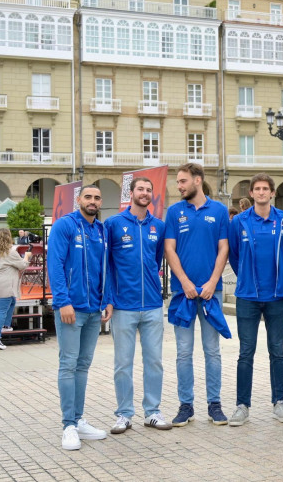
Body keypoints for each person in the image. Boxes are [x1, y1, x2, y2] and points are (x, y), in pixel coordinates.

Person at [164, 163, 230, 427]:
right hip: (183, 295)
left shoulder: (219, 210)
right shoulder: (174, 211)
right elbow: (170, 250)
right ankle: (185, 405)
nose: (178, 186)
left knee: (212, 351)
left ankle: (214, 404)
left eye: (182, 181)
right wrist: (185, 282)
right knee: (183, 352)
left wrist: (213, 282)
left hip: (211, 294)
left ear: (197, 181)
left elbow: (223, 248)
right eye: (178, 182)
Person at [104, 176, 172, 434]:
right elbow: (107, 266)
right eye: (140, 189)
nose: (144, 193)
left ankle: (153, 412)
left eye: (148, 190)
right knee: (123, 363)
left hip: (153, 305)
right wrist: (109, 299)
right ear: (130, 193)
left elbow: (156, 261)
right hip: (123, 306)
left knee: (154, 361)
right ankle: (123, 414)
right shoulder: (113, 224)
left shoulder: (159, 226)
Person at [227, 174, 283, 427]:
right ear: (251, 194)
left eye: (266, 189)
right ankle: (242, 406)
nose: (262, 193)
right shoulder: (240, 222)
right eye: (258, 189)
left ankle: (279, 402)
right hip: (247, 297)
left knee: (277, 351)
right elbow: (234, 255)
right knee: (246, 353)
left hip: (276, 295)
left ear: (272, 193)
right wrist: (246, 277)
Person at [47, 184, 109, 450]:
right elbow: (55, 264)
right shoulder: (65, 226)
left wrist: (107, 300)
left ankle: (79, 419)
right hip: (71, 308)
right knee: (68, 364)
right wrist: (63, 301)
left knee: (83, 365)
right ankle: (68, 426)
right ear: (78, 200)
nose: (92, 201)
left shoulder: (101, 229)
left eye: (96, 197)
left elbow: (105, 267)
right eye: (88, 197)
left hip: (94, 309)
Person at [0, 228, 30, 350]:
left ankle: (5, 325)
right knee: (2, 310)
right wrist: (27, 256)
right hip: (5, 284)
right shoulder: (10, 252)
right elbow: (22, 265)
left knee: (12, 300)